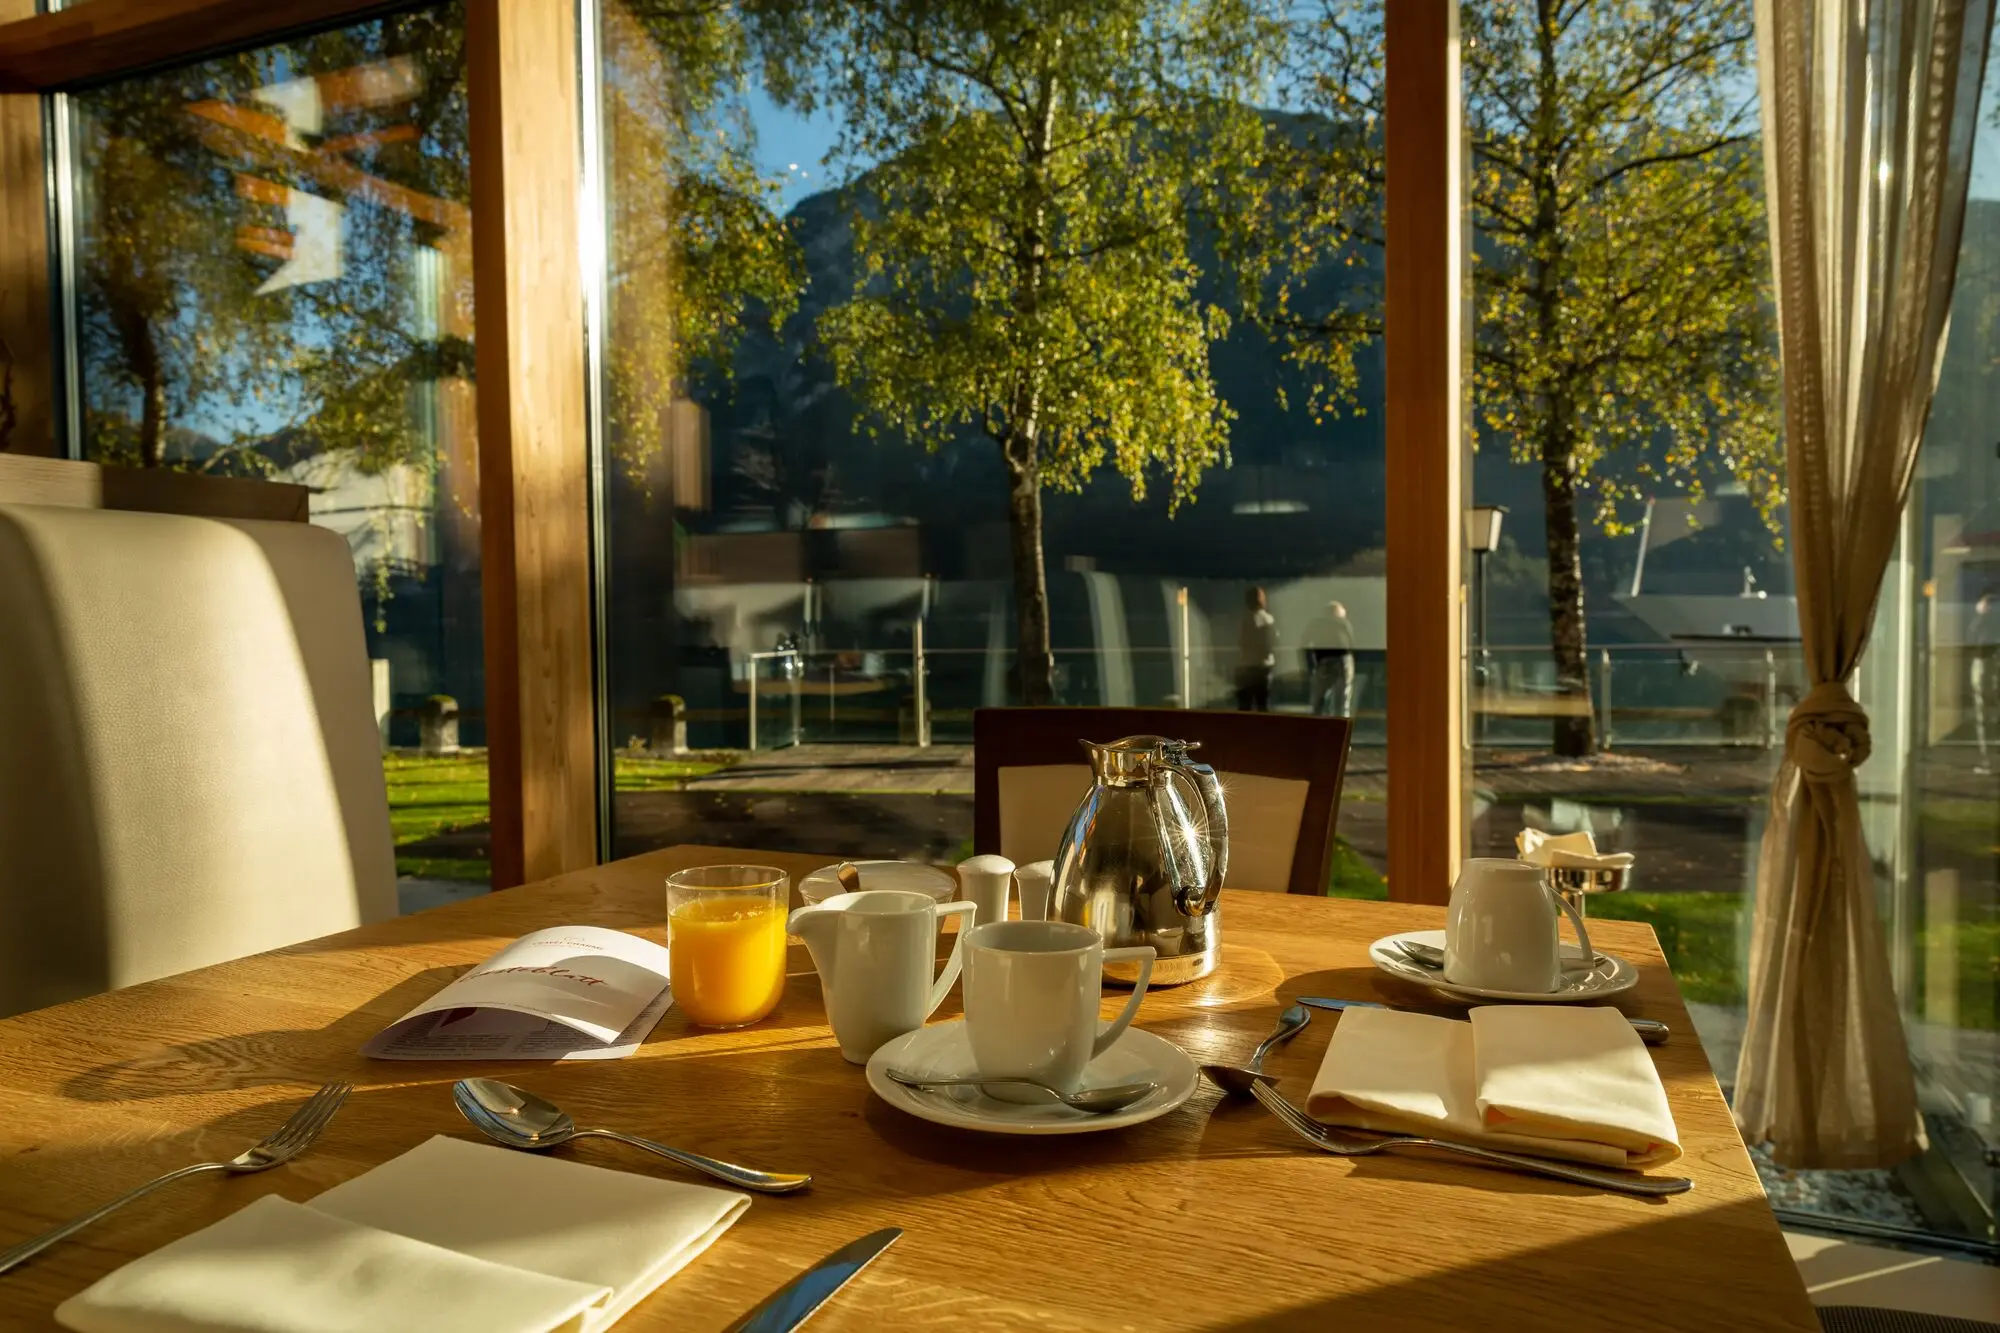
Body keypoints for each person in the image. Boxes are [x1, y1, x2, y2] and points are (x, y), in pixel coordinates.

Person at [1302, 599, 1356, 717]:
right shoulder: (1343, 624)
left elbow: (1305, 643)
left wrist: (1310, 665)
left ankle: (1316, 727)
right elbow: (1352, 643)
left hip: (1323, 661)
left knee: (1318, 699)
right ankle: (1341, 728)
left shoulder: (1315, 624)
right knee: (1342, 701)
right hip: (1343, 661)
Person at [1236, 586, 1278, 712]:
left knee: (1245, 706)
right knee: (1262, 704)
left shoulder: (1244, 619)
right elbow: (1272, 642)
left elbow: (1240, 641)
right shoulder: (1267, 619)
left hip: (1245, 665)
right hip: (1262, 666)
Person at [1973, 592, 2000, 773]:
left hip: (1986, 664)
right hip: (1988, 664)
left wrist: (1981, 616)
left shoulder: (1986, 622)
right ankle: (1988, 758)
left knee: (1984, 710)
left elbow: (1975, 638)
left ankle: (1988, 760)